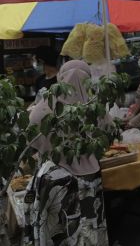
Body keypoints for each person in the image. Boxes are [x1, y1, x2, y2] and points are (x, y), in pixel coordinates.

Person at [27, 60, 108, 246]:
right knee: (91, 226)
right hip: (90, 179)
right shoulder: (94, 105)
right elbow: (106, 133)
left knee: (61, 229)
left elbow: (32, 129)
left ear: (60, 78)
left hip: (55, 179)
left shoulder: (47, 103)